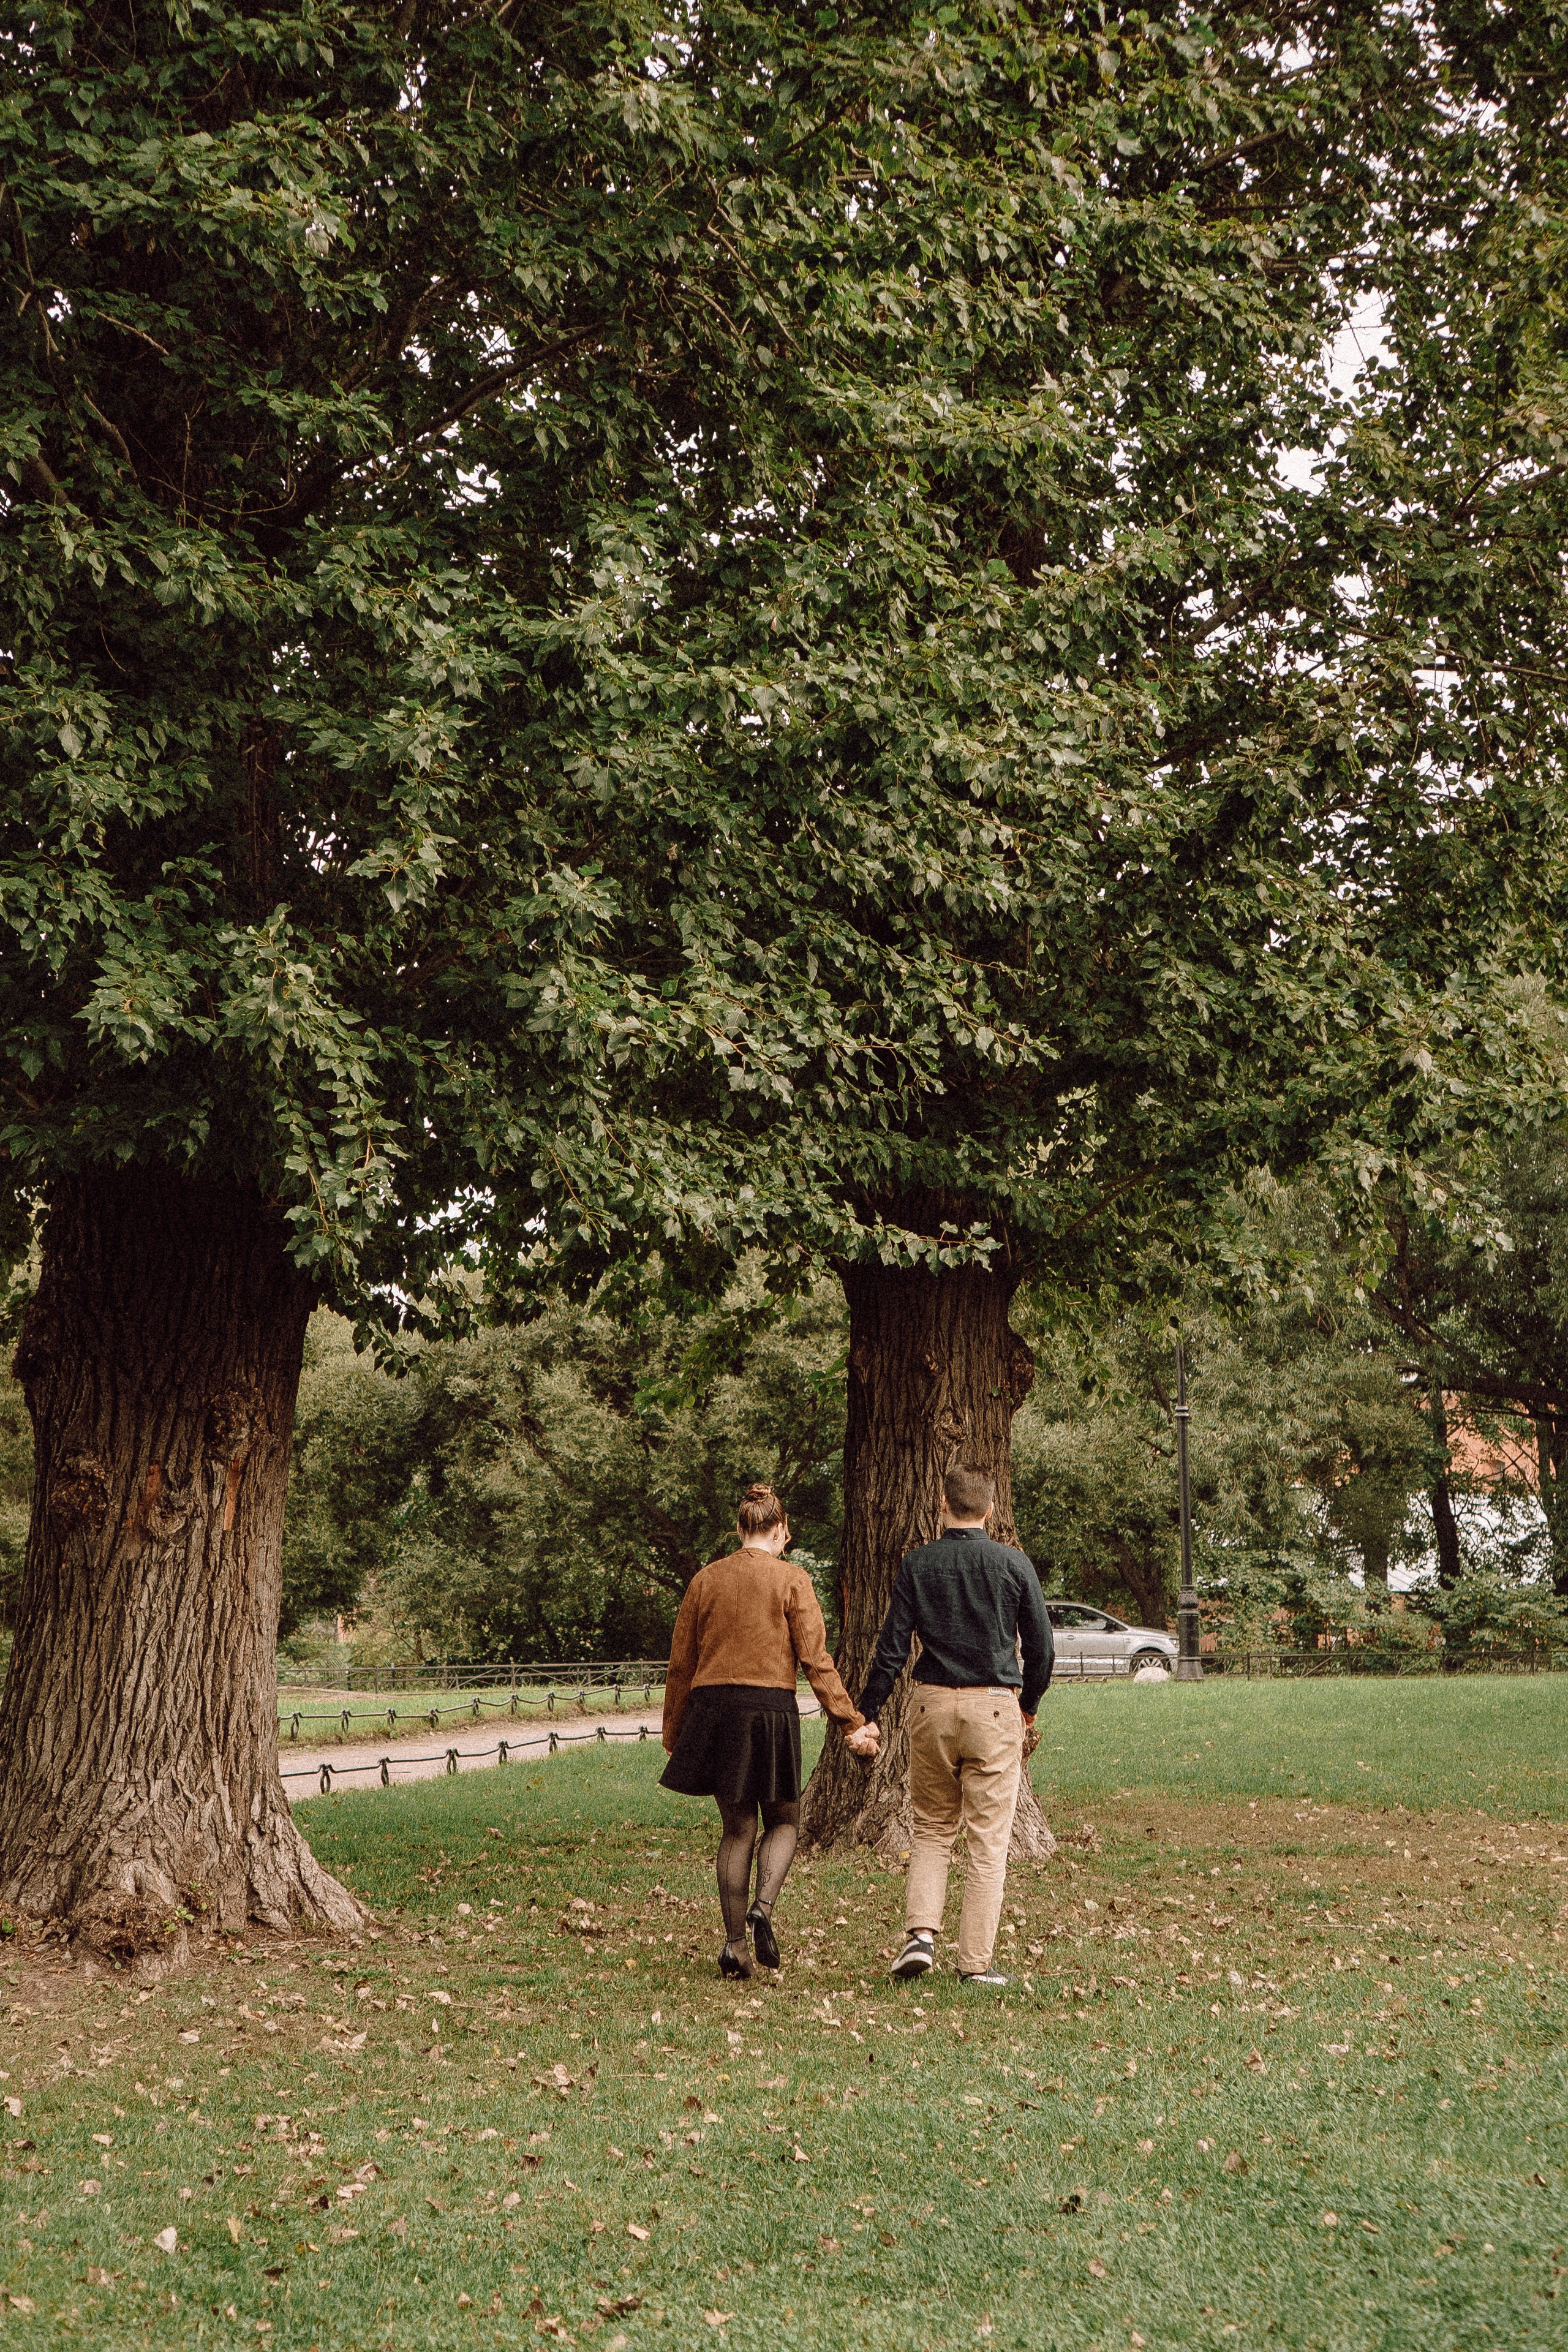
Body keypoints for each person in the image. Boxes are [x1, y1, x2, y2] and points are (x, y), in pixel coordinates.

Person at [849, 1463, 1052, 1988]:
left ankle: (921, 1935)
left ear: (942, 1503)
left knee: (934, 1828)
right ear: (990, 1510)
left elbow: (892, 1648)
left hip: (931, 1706)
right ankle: (976, 1963)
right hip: (993, 1705)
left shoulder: (917, 1564)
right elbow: (1043, 1648)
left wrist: (868, 1712)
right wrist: (1028, 1705)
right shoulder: (1013, 1564)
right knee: (987, 1840)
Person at [661, 1481, 870, 1978]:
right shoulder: (793, 1580)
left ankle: (735, 1945)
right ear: (779, 1531)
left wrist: (676, 1734)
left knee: (737, 1830)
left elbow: (680, 1665)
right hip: (770, 1709)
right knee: (785, 1822)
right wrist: (850, 1723)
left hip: (715, 1711)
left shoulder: (704, 1581)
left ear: (740, 1529)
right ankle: (764, 1908)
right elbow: (816, 1661)